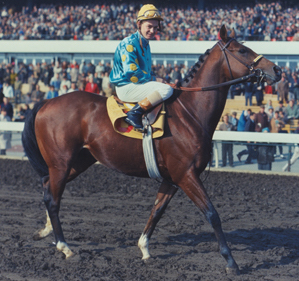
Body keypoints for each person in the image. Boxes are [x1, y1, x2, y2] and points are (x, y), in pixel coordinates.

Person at [109, 4, 173, 130]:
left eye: (155, 28)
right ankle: (134, 114)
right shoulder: (129, 43)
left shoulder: (146, 44)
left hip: (136, 85)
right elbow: (132, 73)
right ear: (139, 24)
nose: (152, 31)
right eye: (149, 26)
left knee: (167, 86)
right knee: (166, 90)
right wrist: (155, 80)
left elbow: (145, 71)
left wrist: (157, 79)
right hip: (126, 87)